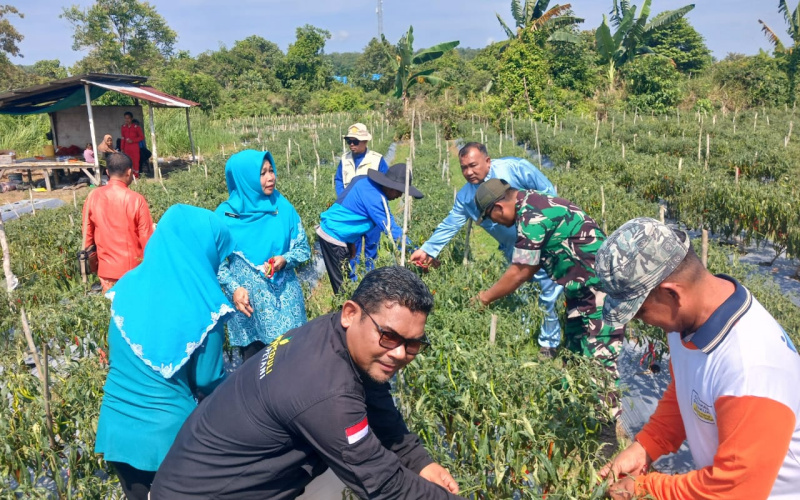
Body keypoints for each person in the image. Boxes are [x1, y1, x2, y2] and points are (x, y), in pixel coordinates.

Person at [150, 266, 462, 499]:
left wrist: (421, 464)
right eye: (389, 336)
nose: (399, 353)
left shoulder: (339, 337)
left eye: (413, 344)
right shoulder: (327, 390)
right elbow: (382, 483)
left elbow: (380, 409)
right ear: (351, 314)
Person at [595, 218, 800, 500]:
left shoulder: (751, 368)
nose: (641, 321)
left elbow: (737, 493)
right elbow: (687, 389)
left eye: (640, 311)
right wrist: (646, 446)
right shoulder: (687, 320)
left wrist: (645, 487)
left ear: (671, 292)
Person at [95, 204, 236, 500]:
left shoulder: (127, 286)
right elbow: (208, 381)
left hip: (117, 429)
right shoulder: (206, 305)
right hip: (167, 439)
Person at [410, 142, 564, 357]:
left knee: (548, 291)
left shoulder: (516, 168)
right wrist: (427, 250)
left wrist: (547, 229)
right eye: (464, 167)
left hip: (541, 241)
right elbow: (451, 223)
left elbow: (549, 193)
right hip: (512, 247)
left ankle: (549, 343)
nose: (469, 172)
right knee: (523, 291)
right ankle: (526, 331)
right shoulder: (466, 197)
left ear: (488, 161)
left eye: (473, 165)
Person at [473, 179, 624, 386]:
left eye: (491, 218)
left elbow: (521, 271)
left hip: (600, 292)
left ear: (498, 207)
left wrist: (485, 297)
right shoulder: (530, 202)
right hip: (582, 291)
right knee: (575, 357)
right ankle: (575, 409)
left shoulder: (531, 217)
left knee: (599, 368)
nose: (495, 223)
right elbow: (531, 264)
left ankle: (605, 416)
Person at [215, 150, 311, 361]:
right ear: (244, 178)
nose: (271, 177)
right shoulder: (224, 216)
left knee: (290, 364)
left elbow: (303, 248)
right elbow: (217, 264)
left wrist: (286, 259)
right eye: (262, 173)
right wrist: (234, 288)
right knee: (256, 371)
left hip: (284, 304)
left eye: (271, 171)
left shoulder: (282, 207)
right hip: (248, 308)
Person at [317, 163, 422, 294]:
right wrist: (416, 252)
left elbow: (344, 204)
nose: (399, 196)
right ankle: (345, 311)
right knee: (343, 290)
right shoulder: (376, 198)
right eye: (399, 191)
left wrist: (350, 240)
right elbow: (390, 230)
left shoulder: (363, 180)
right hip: (333, 237)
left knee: (348, 282)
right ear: (390, 185)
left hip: (338, 234)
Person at [81, 152, 154, 293]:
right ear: (129, 172)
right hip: (133, 271)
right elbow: (147, 240)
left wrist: (93, 265)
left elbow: (87, 238)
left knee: (111, 310)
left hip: (106, 271)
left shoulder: (92, 196)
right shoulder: (136, 200)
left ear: (107, 172)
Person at [335, 123, 390, 281]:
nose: (352, 144)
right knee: (352, 249)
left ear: (365, 141)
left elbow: (386, 183)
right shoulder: (344, 160)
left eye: (355, 141)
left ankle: (370, 280)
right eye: (349, 141)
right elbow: (339, 179)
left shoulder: (377, 159)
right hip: (351, 214)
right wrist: (342, 198)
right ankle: (352, 282)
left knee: (372, 247)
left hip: (371, 213)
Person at [121, 112, 144, 177]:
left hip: (134, 147)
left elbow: (141, 137)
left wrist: (133, 141)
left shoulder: (136, 127)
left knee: (135, 161)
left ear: (131, 118)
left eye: (128, 118)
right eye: (125, 118)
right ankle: (129, 176)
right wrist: (122, 148)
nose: (127, 120)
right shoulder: (123, 127)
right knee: (127, 162)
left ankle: (136, 176)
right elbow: (123, 138)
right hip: (126, 147)